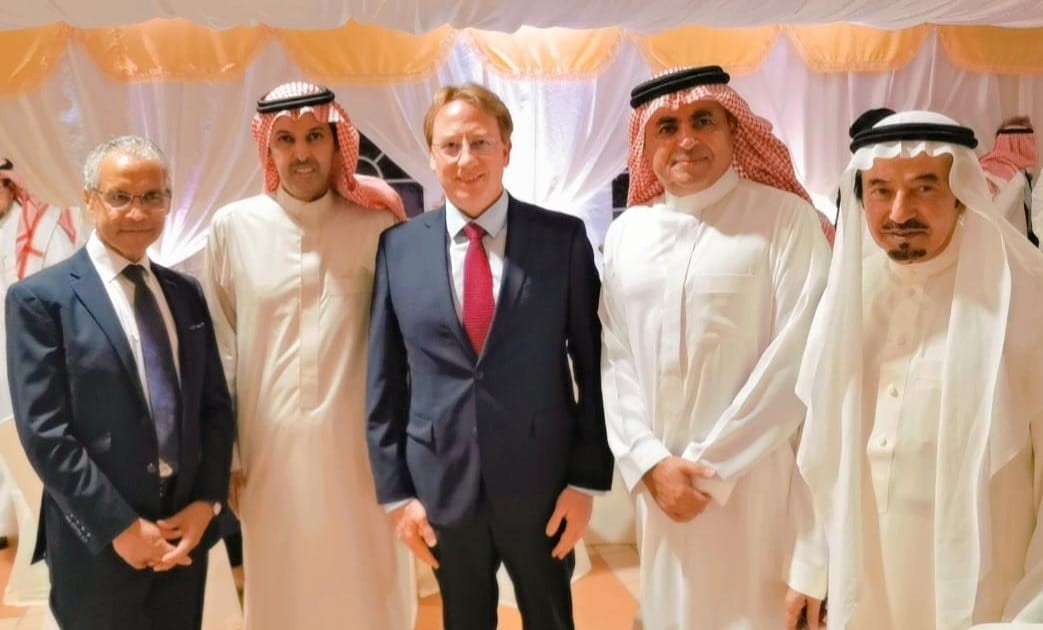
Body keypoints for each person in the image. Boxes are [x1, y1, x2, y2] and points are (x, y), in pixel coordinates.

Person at [366, 83, 613, 630]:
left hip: (543, 485)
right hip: (441, 487)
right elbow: (384, 379)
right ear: (432, 156)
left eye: (480, 142)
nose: (466, 159)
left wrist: (585, 482)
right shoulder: (398, 248)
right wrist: (396, 495)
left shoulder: (562, 239)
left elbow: (594, 368)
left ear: (506, 149)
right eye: (450, 145)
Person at [598, 65, 831, 629]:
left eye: (702, 120)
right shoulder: (626, 234)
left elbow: (800, 360)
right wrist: (649, 462)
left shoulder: (786, 220)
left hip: (762, 489)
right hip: (661, 493)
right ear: (645, 144)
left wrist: (711, 469)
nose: (685, 139)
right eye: (667, 126)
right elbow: (615, 356)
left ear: (732, 130)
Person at [795, 110, 1043, 628]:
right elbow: (822, 454)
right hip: (866, 589)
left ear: (961, 193)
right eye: (881, 190)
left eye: (924, 188)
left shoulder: (1024, 298)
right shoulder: (848, 299)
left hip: (990, 603)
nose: (899, 210)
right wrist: (811, 570)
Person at [202, 81, 414, 630]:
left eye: (315, 137)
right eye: (286, 140)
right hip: (267, 452)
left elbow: (406, 345)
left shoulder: (377, 223)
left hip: (362, 453)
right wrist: (228, 455)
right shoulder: (233, 227)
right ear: (267, 148)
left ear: (337, 141)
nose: (301, 153)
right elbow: (220, 347)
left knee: (369, 582)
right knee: (283, 587)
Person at [4, 135, 235, 629]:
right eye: (120, 196)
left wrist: (206, 503)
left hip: (183, 536)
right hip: (98, 546)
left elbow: (214, 408)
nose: (138, 211)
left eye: (152, 196)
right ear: (90, 200)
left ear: (168, 200)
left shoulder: (185, 293)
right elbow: (46, 433)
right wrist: (119, 527)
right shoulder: (40, 300)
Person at [979, 116, 1038, 244]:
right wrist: (1015, 184)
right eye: (1028, 140)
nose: (1033, 146)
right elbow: (992, 220)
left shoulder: (1023, 175)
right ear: (1017, 142)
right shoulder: (989, 172)